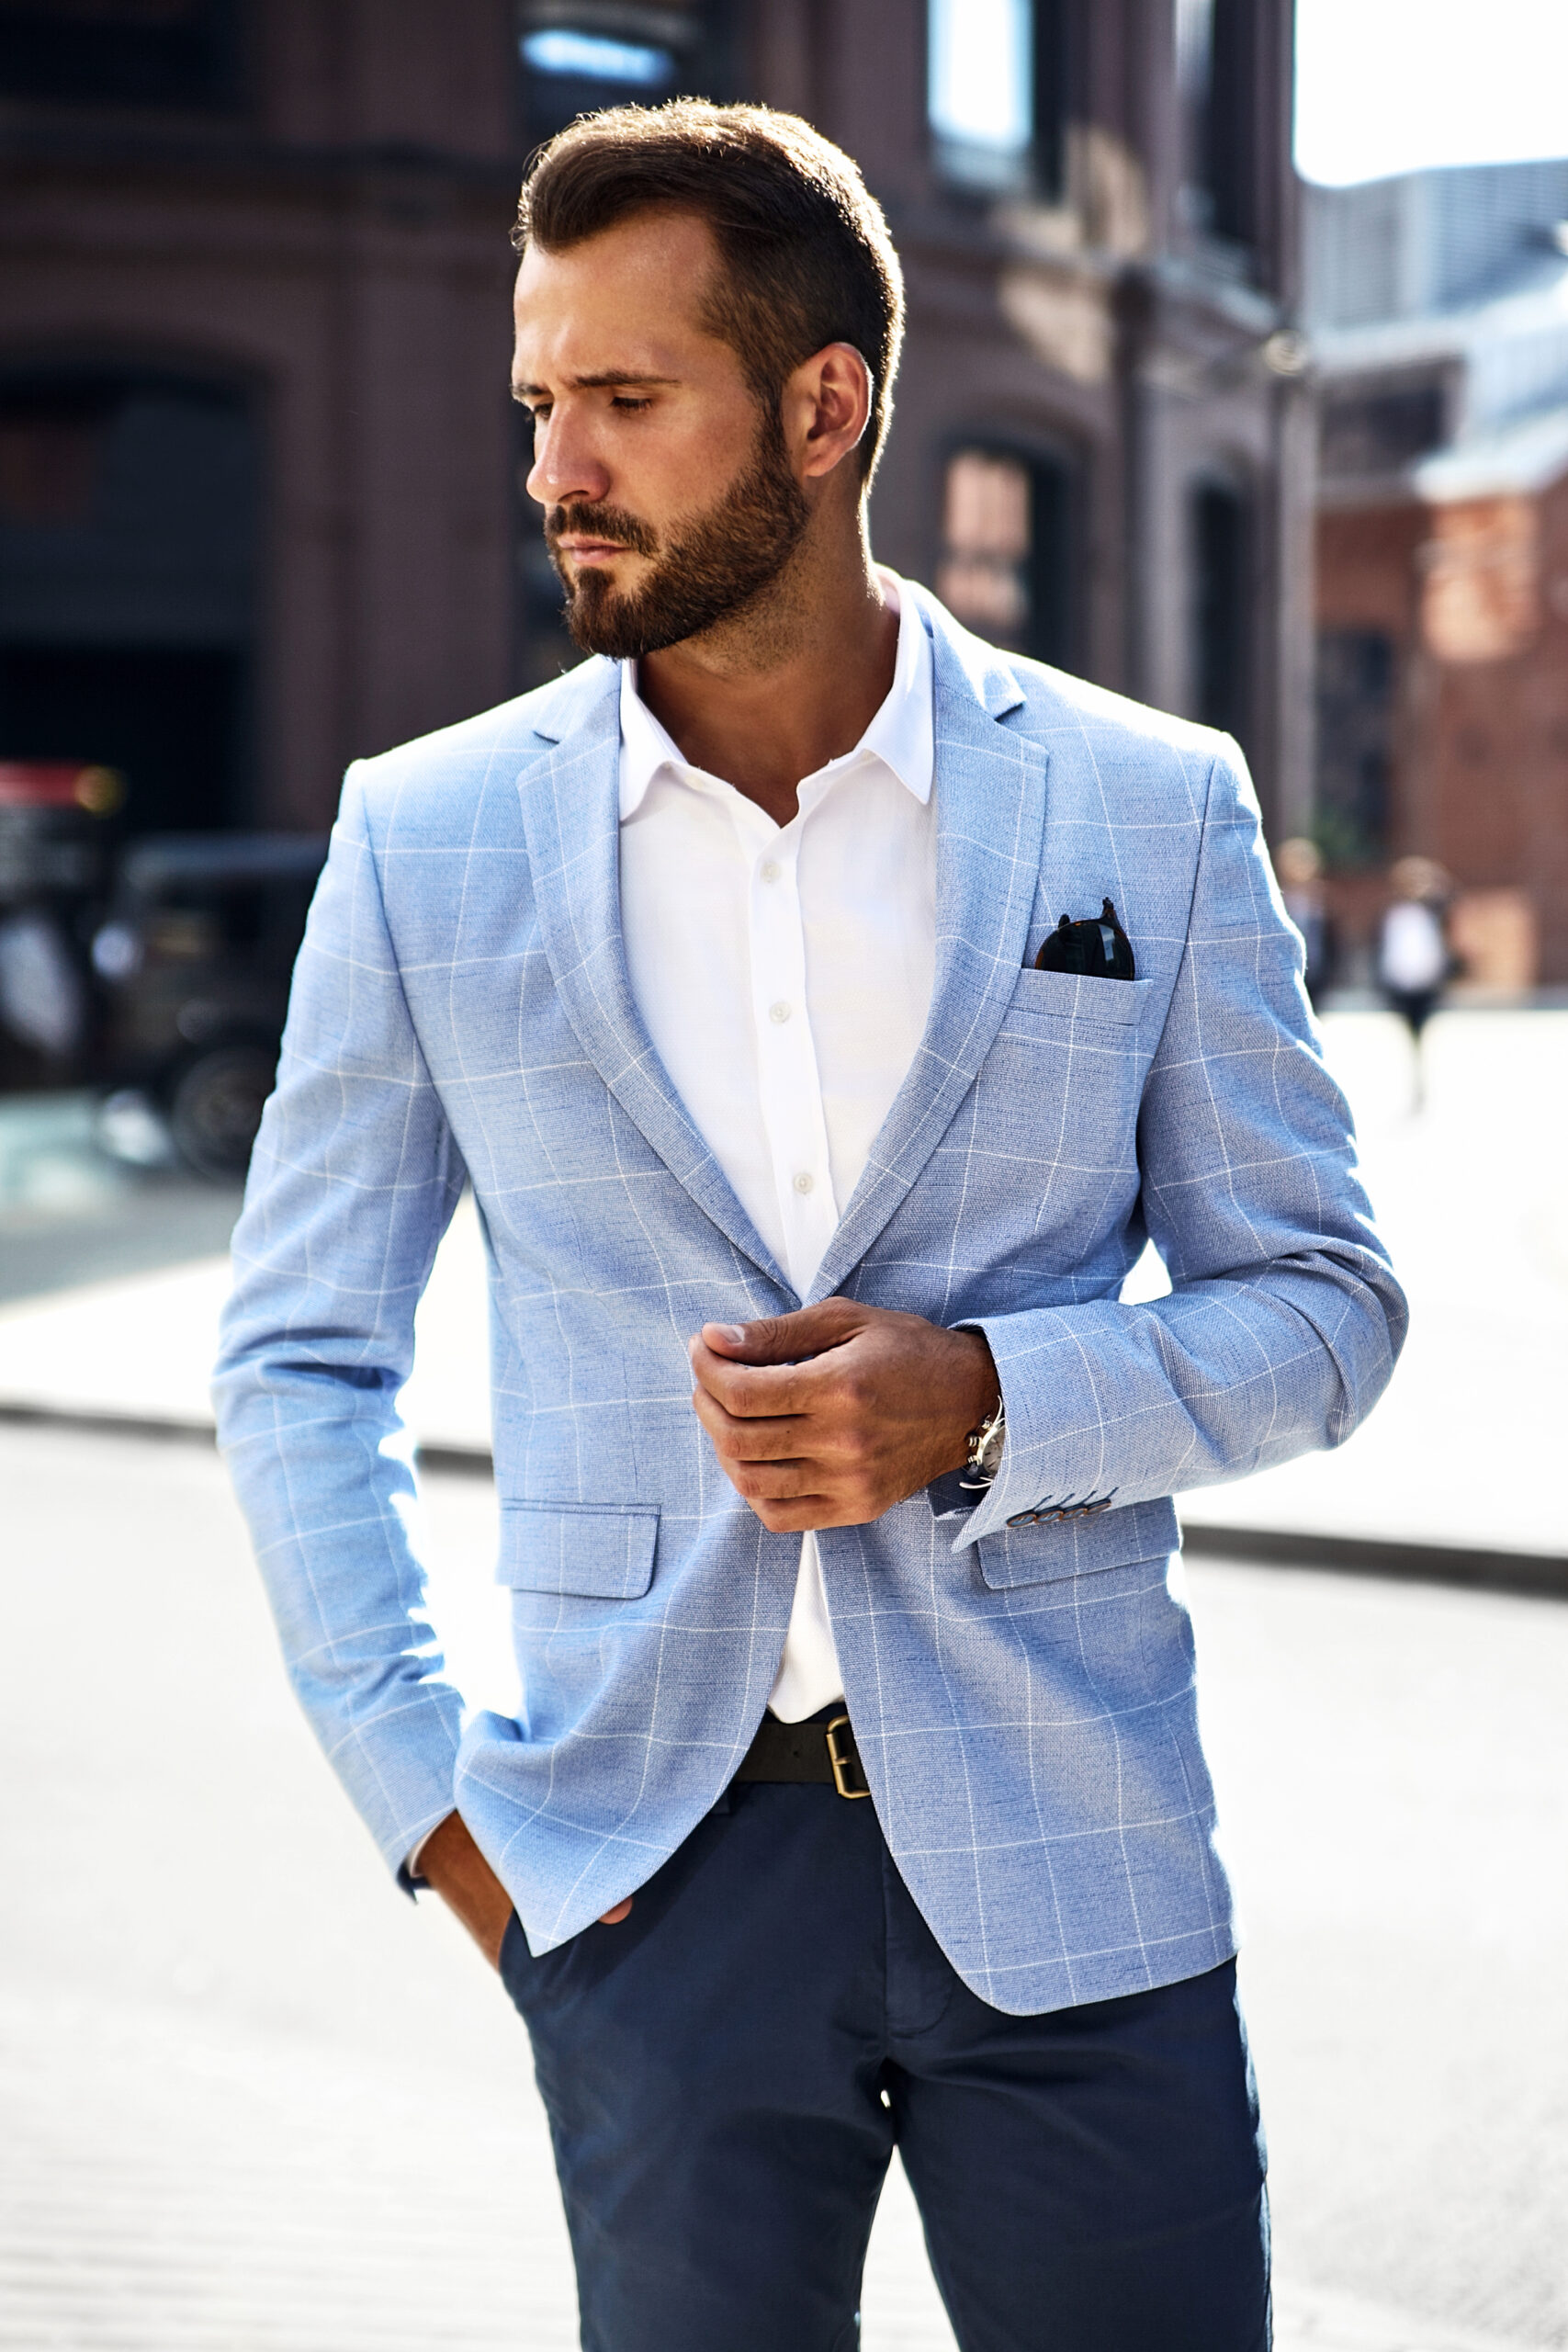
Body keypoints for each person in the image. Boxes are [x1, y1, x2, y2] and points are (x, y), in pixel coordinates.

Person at [214, 102, 1406, 2352]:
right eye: (535, 403)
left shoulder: (1141, 805)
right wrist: (438, 1810)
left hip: (1075, 1866)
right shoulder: (430, 836)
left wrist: (980, 1397)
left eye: (624, 400)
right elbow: (298, 1356)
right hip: (642, 1884)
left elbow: (1325, 1307)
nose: (556, 461)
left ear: (822, 404)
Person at [1378, 854, 1452, 1108]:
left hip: (1427, 984)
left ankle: (1421, 1082)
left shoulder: (1435, 910)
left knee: (1423, 1032)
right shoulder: (1392, 912)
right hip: (1400, 984)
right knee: (1409, 1033)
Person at [1275, 833, 1335, 1006]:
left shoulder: (1322, 899)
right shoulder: (1275, 896)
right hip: (1284, 971)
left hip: (1316, 970)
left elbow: (1332, 938)